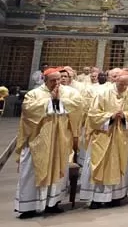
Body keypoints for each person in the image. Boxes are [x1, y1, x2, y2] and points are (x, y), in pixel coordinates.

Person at [15, 68, 84, 219]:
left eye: (59, 79)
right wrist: (51, 101)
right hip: (37, 141)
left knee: (58, 170)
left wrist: (59, 100)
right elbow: (28, 110)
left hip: (59, 140)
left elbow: (78, 107)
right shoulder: (34, 94)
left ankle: (53, 203)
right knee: (32, 172)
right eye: (53, 80)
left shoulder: (69, 93)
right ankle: (28, 206)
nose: (57, 83)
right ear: (44, 79)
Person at [80, 73, 128, 209]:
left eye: (126, 84)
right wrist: (111, 116)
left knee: (119, 163)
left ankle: (115, 197)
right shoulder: (102, 93)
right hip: (103, 135)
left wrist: (125, 116)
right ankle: (96, 198)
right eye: (121, 84)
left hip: (122, 135)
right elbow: (93, 115)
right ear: (115, 81)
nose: (124, 87)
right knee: (100, 164)